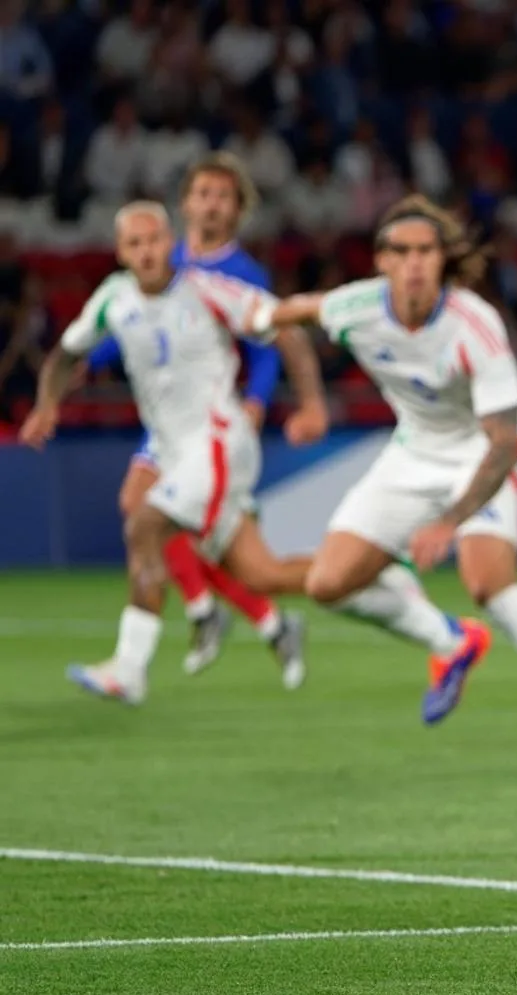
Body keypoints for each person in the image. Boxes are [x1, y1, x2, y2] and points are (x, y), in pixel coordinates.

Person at [262, 195, 517, 763]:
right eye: (401, 251)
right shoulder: (353, 307)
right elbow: (279, 317)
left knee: (489, 582)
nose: (414, 262)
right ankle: (451, 639)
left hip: (482, 452)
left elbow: (506, 440)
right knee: (327, 584)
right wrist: (311, 402)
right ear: (381, 260)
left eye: (426, 251)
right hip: (412, 452)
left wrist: (449, 521)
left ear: (442, 260)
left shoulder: (474, 325)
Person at [22, 201, 329, 705]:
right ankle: (369, 576)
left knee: (143, 522)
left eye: (154, 240)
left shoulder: (208, 291)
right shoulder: (112, 299)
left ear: (172, 242)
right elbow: (68, 353)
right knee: (260, 572)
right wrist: (46, 404)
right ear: (121, 252)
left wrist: (313, 404)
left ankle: (132, 666)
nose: (146, 252)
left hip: (218, 441)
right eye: (134, 244)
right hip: (172, 449)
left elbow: (287, 333)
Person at [92, 153, 301, 685]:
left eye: (222, 196)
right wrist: (85, 360)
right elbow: (130, 325)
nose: (210, 203)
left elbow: (271, 346)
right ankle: (217, 612)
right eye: (201, 192)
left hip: (215, 424)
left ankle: (254, 616)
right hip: (165, 421)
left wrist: (256, 400)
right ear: (184, 203)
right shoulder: (163, 254)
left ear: (236, 211)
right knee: (140, 511)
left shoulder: (241, 272)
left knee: (217, 546)